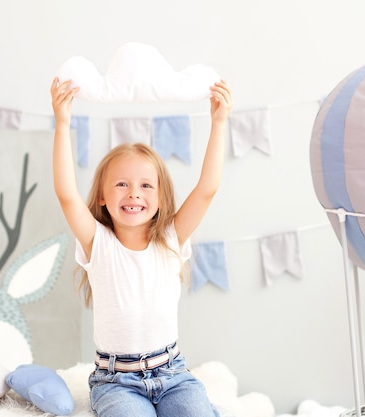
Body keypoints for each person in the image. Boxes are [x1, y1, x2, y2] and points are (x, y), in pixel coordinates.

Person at [51, 76, 233, 417]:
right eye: (122, 184)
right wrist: (63, 124)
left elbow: (207, 188)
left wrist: (219, 122)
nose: (134, 193)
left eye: (146, 185)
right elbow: (66, 195)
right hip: (116, 382)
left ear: (160, 197)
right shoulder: (98, 243)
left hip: (173, 374)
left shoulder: (171, 238)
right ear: (103, 197)